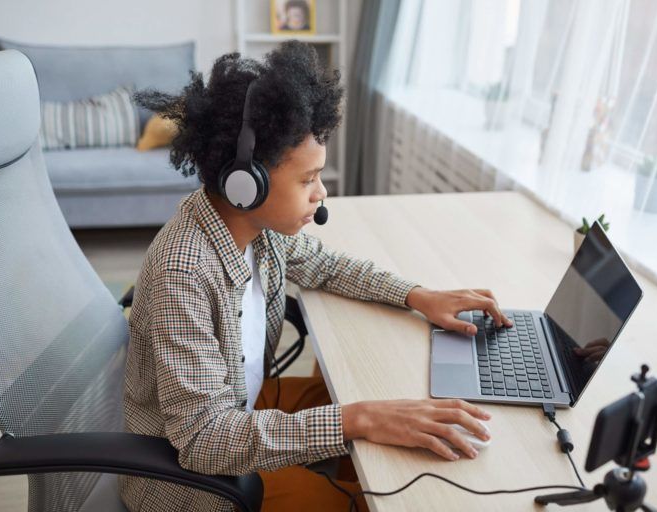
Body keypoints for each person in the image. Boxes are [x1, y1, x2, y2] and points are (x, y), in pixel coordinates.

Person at [120, 41, 512, 512]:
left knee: (370, 399)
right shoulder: (182, 273)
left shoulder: (253, 227)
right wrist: (356, 421)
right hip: (190, 480)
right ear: (246, 183)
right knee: (362, 494)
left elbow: (325, 266)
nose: (321, 193)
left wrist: (417, 295)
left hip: (239, 409)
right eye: (308, 180)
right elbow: (204, 440)